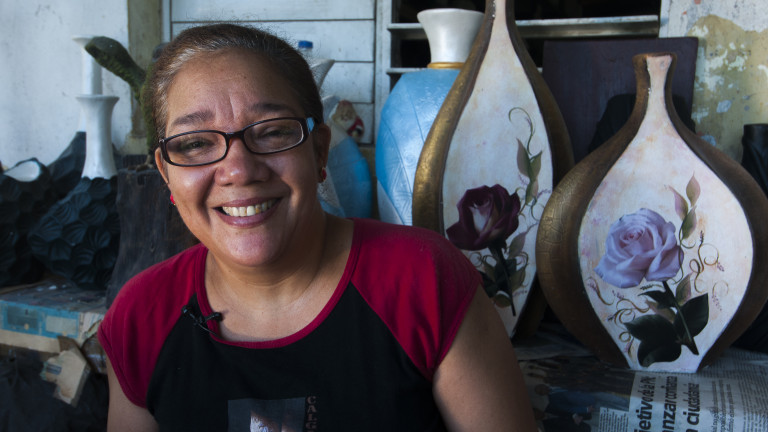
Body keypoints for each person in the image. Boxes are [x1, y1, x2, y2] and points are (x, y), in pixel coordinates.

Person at [97, 23, 536, 432]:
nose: (239, 170)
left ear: (320, 151)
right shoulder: (140, 318)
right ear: (166, 174)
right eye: (195, 143)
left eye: (272, 132)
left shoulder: (422, 280)